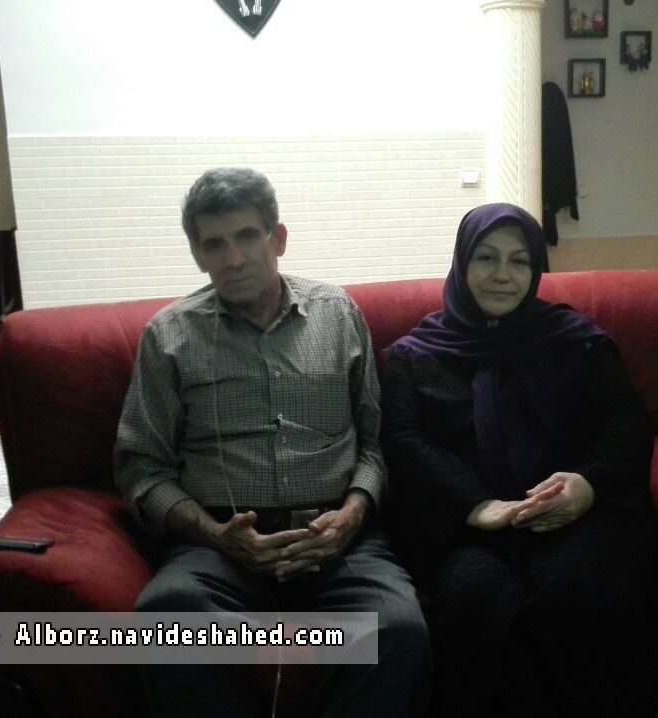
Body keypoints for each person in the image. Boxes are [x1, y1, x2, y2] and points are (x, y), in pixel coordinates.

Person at [115, 167, 429, 717]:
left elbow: (376, 444)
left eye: (247, 236)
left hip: (335, 540)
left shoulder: (338, 315)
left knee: (398, 628)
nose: (233, 258)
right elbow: (141, 466)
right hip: (219, 547)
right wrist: (215, 534)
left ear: (278, 238)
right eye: (214, 244)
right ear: (197, 255)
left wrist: (351, 517)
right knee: (167, 616)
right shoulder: (168, 336)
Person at [380, 203, 658, 717]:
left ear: (536, 269)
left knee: (572, 589)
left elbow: (626, 422)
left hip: (578, 515)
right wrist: (477, 506)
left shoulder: (574, 340)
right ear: (461, 262)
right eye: (486, 258)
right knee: (476, 597)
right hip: (468, 525)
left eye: (519, 261)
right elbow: (404, 443)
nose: (503, 275)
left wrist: (586, 485)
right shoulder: (413, 356)